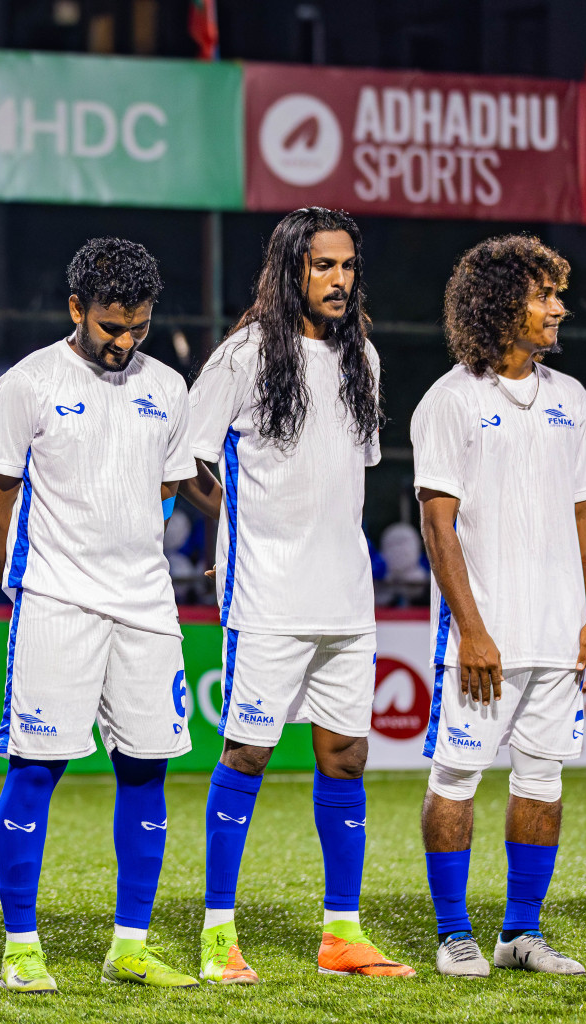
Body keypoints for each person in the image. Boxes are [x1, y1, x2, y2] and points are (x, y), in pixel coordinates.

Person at [185, 207, 412, 983]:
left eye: (348, 265)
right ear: (292, 270)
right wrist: (230, 526)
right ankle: (218, 936)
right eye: (324, 266)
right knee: (247, 753)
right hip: (268, 595)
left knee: (345, 757)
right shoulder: (243, 355)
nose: (340, 280)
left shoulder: (364, 360)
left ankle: (341, 933)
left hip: (347, 597)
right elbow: (182, 456)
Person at [0, 238, 200, 993]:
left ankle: (129, 945)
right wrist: (31, 584)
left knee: (147, 769)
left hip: (145, 607)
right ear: (76, 309)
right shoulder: (28, 384)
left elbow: (166, 494)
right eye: (110, 326)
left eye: (136, 326)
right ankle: (21, 945)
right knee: (36, 768)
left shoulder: (168, 386)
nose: (123, 340)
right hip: (56, 604)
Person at [413, 235, 586, 977]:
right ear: (500, 306)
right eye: (543, 293)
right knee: (456, 777)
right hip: (482, 638)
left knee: (543, 780)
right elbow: (438, 522)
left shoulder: (572, 399)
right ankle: (454, 932)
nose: (559, 306)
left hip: (558, 636)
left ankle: (520, 934)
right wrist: (472, 629)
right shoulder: (452, 400)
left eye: (558, 293)